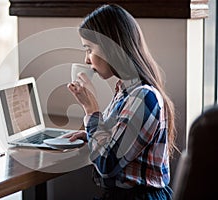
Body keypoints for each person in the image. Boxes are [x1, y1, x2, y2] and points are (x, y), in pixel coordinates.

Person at [66, 4, 176, 200]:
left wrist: (91, 111)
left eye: (89, 49)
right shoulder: (124, 91)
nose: (87, 59)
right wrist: (89, 135)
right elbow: (115, 140)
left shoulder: (143, 98)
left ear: (111, 47)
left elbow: (107, 164)